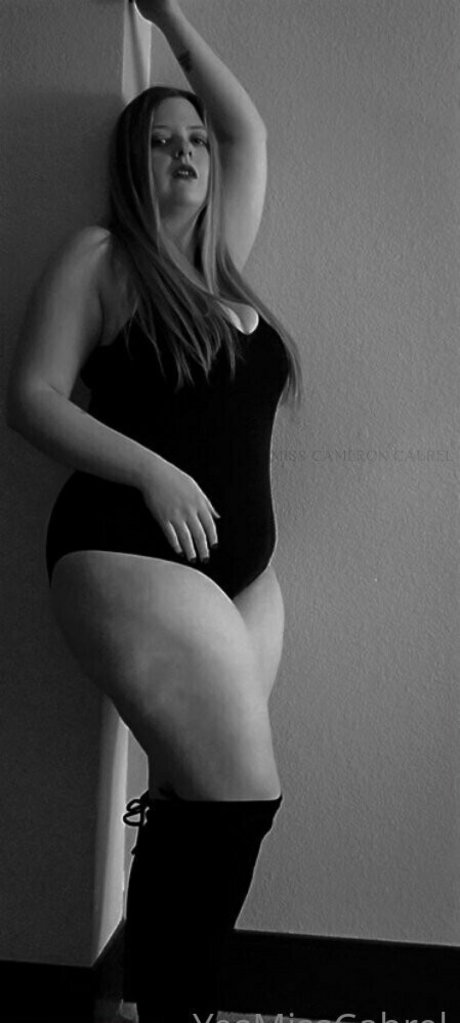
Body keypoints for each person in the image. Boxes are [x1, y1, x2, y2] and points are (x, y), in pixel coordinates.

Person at [6, 1, 303, 1020]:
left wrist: (167, 11)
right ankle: (183, 1006)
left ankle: (138, 1000)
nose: (186, 152)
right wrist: (152, 472)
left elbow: (247, 131)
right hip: (128, 551)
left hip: (240, 579)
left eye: (192, 142)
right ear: (130, 166)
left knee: (191, 798)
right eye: (160, 141)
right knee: (239, 800)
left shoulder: (220, 265)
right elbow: (31, 397)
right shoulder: (101, 258)